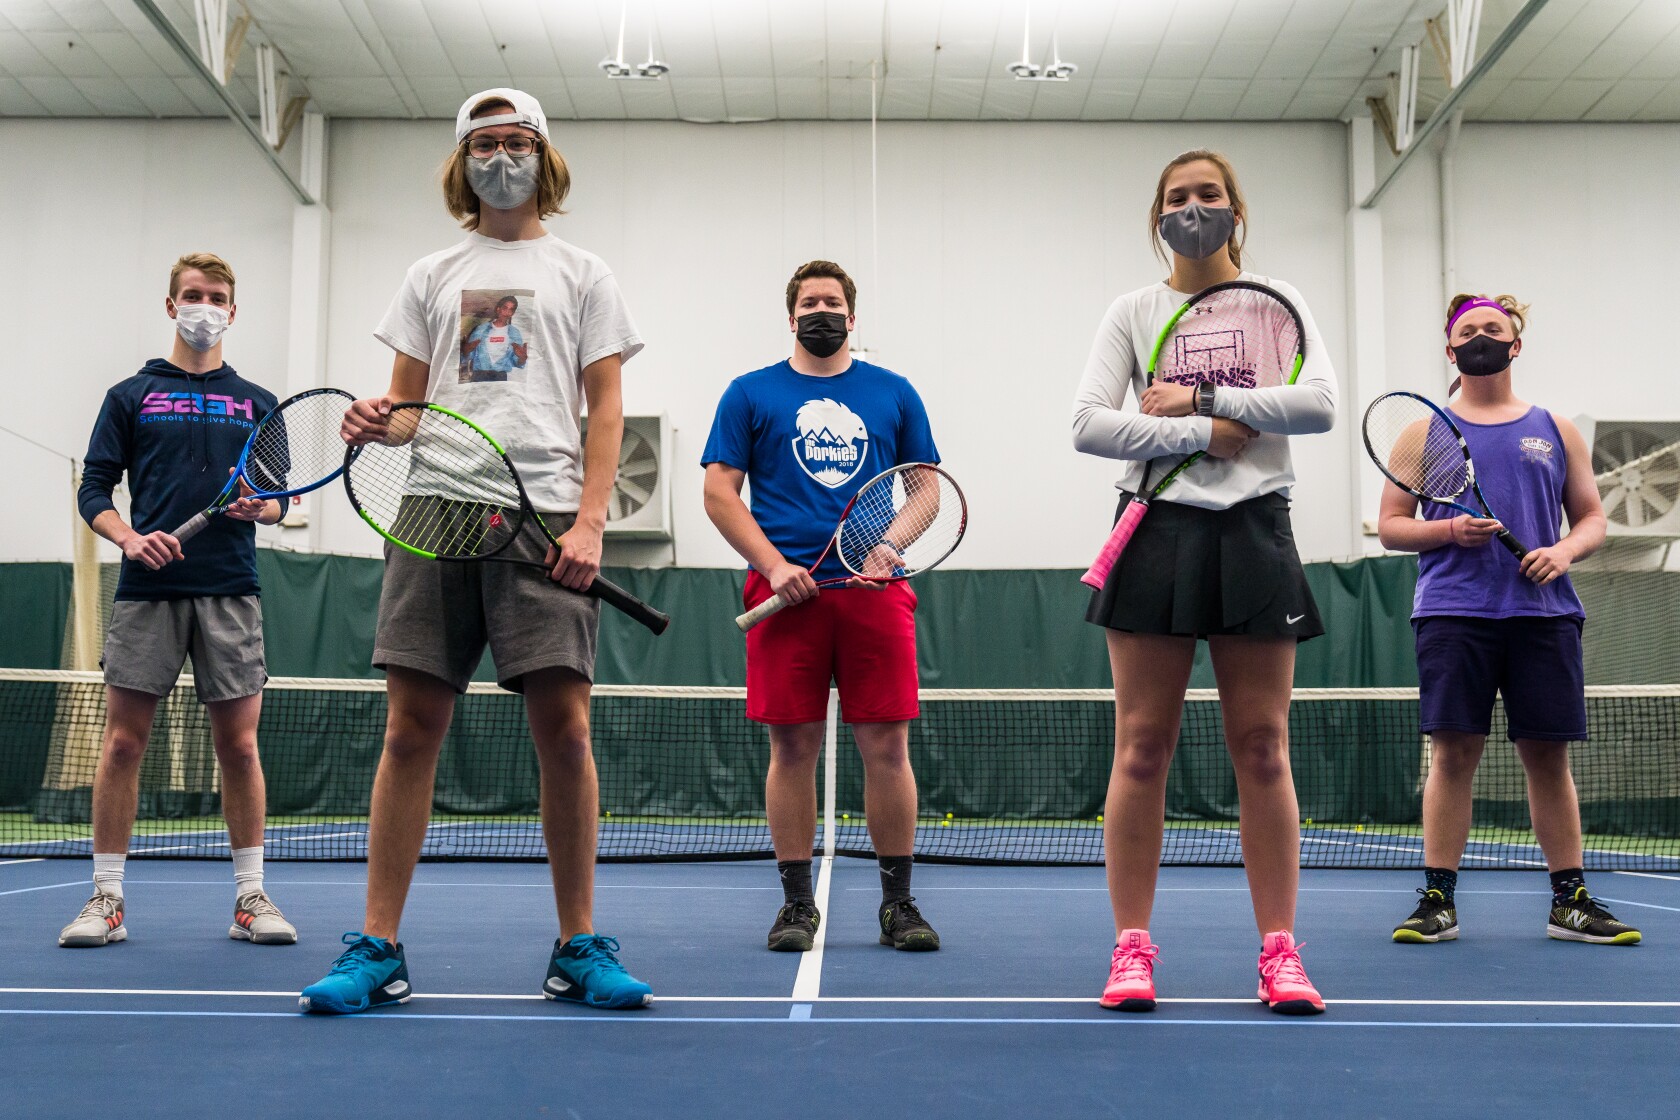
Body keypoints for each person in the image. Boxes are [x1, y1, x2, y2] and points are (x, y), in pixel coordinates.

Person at [300, 88, 650, 1013]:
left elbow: (605, 408)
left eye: (518, 141)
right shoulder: (429, 273)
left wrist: (590, 520)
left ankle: (579, 945)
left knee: (565, 735)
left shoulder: (585, 272)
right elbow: (409, 405)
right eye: (485, 143)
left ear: (544, 155)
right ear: (463, 162)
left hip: (541, 516)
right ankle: (377, 948)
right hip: (434, 509)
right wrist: (378, 421)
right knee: (411, 730)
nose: (503, 155)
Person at [1072, 149, 1336, 1014]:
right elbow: (1088, 424)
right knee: (1142, 747)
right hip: (1155, 531)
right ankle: (1132, 949)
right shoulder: (1133, 309)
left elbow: (1320, 405)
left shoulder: (1280, 301)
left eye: (1208, 195)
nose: (1193, 208)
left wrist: (1201, 402)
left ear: (1235, 208)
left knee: (1262, 747)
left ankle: (1280, 952)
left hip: (1255, 530)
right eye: (1177, 197)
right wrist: (1200, 439)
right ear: (1158, 216)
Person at [1380, 293, 1639, 947]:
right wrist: (1450, 534)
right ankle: (1437, 900)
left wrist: (1563, 550)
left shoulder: (1556, 428)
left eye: (1493, 328)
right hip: (1452, 614)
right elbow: (1390, 527)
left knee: (1547, 758)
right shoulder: (1422, 432)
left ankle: (1570, 902)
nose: (1481, 337)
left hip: (1543, 617)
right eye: (1468, 331)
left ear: (1515, 343)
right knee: (1453, 754)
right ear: (1450, 350)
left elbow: (1593, 518)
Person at [702, 260, 943, 954]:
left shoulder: (893, 393)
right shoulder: (749, 394)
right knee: (792, 747)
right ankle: (796, 906)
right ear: (791, 317)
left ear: (852, 316)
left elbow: (926, 489)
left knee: (887, 747)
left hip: (874, 591)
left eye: (832, 301)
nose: (821, 310)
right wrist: (774, 566)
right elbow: (720, 493)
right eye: (809, 302)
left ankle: (899, 905)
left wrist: (889, 548)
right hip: (785, 596)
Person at [62, 252, 293, 949]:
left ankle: (251, 899)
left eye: (217, 296)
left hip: (231, 590)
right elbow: (94, 490)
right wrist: (128, 539)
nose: (204, 306)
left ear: (232, 309)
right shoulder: (129, 395)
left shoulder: (257, 402)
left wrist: (265, 508)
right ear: (171, 306)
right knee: (124, 744)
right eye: (192, 294)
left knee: (240, 747)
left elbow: (280, 498)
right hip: (146, 593)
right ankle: (105, 900)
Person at [462, 294, 528, 380]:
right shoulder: (481, 330)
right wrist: (466, 350)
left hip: (500, 377)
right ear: (498, 309)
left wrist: (522, 358)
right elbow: (467, 356)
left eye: (511, 310)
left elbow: (518, 363)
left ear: (513, 313)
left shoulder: (514, 333)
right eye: (505, 308)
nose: (507, 312)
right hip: (479, 376)